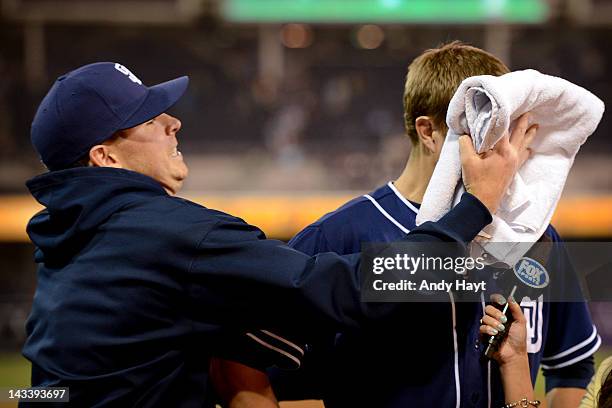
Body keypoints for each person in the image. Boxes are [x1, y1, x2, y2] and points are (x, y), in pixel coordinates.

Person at [21, 61, 526, 407]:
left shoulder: (65, 241)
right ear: (105, 158)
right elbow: (352, 288)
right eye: (149, 119)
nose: (173, 122)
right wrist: (474, 209)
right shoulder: (168, 235)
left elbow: (47, 391)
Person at [212, 42, 599, 407]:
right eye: (484, 131)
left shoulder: (535, 236)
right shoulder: (339, 235)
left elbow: (573, 365)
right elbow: (239, 357)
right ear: (429, 132)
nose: (506, 152)